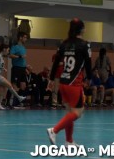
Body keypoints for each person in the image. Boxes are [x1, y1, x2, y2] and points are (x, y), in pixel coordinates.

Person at [47, 18, 92, 146]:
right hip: (74, 83)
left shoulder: (64, 44)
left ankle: (69, 141)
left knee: (69, 112)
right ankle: (54, 130)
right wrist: (89, 79)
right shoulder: (85, 44)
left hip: (63, 82)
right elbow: (88, 64)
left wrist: (51, 79)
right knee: (78, 113)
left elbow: (56, 62)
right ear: (82, 29)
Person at [6, 31, 28, 108]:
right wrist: (19, 57)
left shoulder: (23, 47)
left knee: (23, 86)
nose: (26, 39)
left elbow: (24, 59)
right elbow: (10, 55)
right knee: (13, 86)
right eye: (25, 37)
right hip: (16, 68)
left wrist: (26, 67)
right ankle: (8, 102)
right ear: (20, 38)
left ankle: (18, 102)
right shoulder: (15, 47)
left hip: (23, 68)